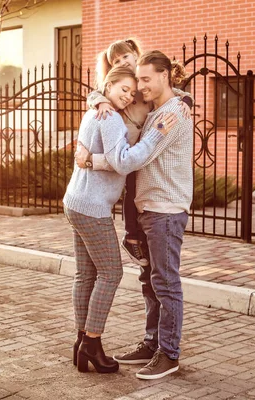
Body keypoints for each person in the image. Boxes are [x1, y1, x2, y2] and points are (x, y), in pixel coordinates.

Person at [76, 50, 194, 380]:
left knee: (165, 282)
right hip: (149, 208)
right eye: (137, 80)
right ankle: (151, 342)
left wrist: (90, 161)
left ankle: (168, 353)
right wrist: (98, 98)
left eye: (145, 79)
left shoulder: (170, 115)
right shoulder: (159, 107)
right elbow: (107, 89)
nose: (139, 87)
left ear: (164, 76)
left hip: (165, 209)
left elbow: (134, 160)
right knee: (150, 281)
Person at [77, 38, 193, 269]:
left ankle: (135, 237)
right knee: (130, 187)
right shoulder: (120, 86)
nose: (123, 62)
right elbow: (95, 94)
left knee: (137, 189)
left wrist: (187, 100)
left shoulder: (144, 87)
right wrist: (100, 102)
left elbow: (174, 90)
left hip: (147, 148)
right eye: (117, 61)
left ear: (135, 55)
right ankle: (131, 236)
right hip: (130, 148)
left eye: (125, 57)